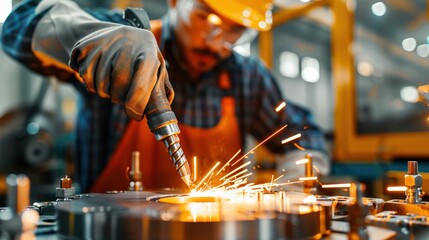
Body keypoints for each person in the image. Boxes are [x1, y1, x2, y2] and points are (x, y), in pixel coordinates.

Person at [2, 0, 330, 192]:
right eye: (207, 17)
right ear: (174, 2)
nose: (217, 41)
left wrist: (300, 176)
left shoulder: (248, 77)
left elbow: (301, 136)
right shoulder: (120, 38)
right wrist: (83, 34)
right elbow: (16, 25)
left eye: (235, 30)